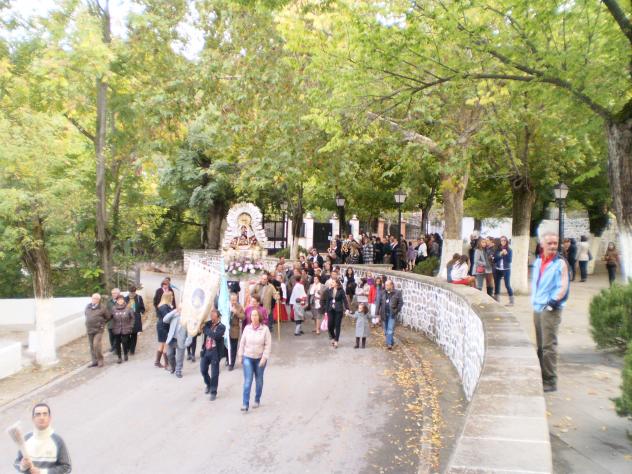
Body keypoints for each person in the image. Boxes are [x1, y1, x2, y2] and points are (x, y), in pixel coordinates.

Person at [531, 231, 570, 392]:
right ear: (542, 245)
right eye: (550, 243)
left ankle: (550, 380)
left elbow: (564, 286)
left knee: (548, 346)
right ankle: (541, 376)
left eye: (555, 243)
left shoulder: (560, 263)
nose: (553, 246)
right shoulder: (538, 261)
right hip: (538, 307)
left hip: (550, 308)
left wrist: (552, 303)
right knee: (540, 346)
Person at [13, 403, 71, 473]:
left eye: (45, 414)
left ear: (49, 418)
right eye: (38, 414)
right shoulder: (26, 439)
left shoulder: (58, 441)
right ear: (33, 419)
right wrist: (22, 466)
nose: (41, 417)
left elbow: (66, 468)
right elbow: (16, 462)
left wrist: (43, 472)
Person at [238, 309, 272, 412]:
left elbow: (268, 345)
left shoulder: (265, 329)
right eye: (252, 315)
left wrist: (264, 358)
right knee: (248, 380)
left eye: (256, 315)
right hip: (248, 357)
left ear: (259, 317)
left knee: (259, 380)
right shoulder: (247, 328)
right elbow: (242, 343)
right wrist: (240, 355)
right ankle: (245, 404)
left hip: (260, 358)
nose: (254, 317)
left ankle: (257, 399)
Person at [200, 309, 226, 401]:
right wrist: (202, 327)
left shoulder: (222, 327)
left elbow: (215, 336)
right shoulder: (208, 324)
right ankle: (208, 384)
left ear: (218, 317)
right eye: (211, 316)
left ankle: (213, 391)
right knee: (203, 370)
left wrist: (205, 329)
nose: (211, 318)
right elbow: (201, 327)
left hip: (215, 351)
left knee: (214, 373)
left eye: (213, 316)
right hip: (206, 350)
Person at [84, 293, 110, 368]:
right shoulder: (88, 306)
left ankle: (100, 360)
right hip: (89, 329)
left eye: (95, 298)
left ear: (99, 300)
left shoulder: (102, 307)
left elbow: (108, 317)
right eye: (93, 298)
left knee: (96, 345)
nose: (94, 300)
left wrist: (102, 324)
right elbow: (86, 315)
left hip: (98, 330)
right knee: (92, 346)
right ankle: (94, 361)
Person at [377, 280, 404, 350]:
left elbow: (401, 303)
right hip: (384, 313)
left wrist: (396, 310)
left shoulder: (397, 293)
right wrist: (377, 314)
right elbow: (378, 303)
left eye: (387, 285)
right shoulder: (382, 292)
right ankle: (391, 341)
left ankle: (389, 344)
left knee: (390, 329)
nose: (386, 286)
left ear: (391, 285)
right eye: (385, 285)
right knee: (386, 330)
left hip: (392, 314)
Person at [324, 278, 349, 348]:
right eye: (331, 282)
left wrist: (347, 309)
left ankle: (336, 341)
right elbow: (327, 301)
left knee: (337, 325)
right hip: (330, 310)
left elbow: (345, 300)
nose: (331, 283)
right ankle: (333, 337)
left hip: (338, 310)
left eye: (333, 282)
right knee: (329, 325)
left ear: (337, 283)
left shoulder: (341, 290)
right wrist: (326, 311)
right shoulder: (329, 290)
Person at [164, 308, 188, 378]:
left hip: (181, 339)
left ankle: (178, 371)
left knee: (180, 357)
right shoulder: (174, 315)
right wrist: (175, 311)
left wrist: (188, 339)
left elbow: (190, 329)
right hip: (172, 338)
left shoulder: (188, 317)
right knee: (169, 354)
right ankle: (173, 367)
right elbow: (164, 319)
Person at [110, 294, 134, 364]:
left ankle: (125, 353)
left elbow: (132, 318)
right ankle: (119, 357)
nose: (120, 301)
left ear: (123, 300)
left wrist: (131, 326)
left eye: (121, 299)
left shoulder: (128, 308)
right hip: (116, 328)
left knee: (124, 342)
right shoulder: (113, 308)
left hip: (126, 328)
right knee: (117, 343)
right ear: (117, 301)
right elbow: (110, 317)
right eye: (118, 300)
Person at [155, 290, 175, 369]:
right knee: (166, 345)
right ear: (168, 297)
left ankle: (157, 361)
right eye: (171, 296)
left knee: (162, 344)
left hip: (161, 326)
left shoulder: (164, 305)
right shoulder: (164, 306)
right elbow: (167, 317)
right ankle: (167, 364)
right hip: (164, 327)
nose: (172, 297)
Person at [493, 236, 514, 305]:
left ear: (506, 241)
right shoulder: (497, 250)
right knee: (497, 285)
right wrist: (500, 254)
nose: (503, 241)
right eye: (502, 240)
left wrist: (506, 254)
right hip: (498, 269)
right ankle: (497, 301)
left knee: (507, 285)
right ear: (500, 241)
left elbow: (509, 261)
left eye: (504, 240)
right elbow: (495, 260)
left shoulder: (509, 250)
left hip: (506, 270)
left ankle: (511, 302)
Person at [125, 286, 145, 356]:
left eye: (133, 292)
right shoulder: (125, 298)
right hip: (127, 319)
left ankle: (132, 350)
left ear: (135, 292)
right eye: (131, 292)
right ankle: (128, 347)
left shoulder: (139, 298)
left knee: (134, 334)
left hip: (136, 318)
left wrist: (141, 312)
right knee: (127, 334)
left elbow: (142, 308)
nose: (132, 294)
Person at [227, 293, 245, 370]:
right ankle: (228, 359)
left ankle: (232, 364)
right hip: (227, 329)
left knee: (234, 347)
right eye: (232, 300)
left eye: (235, 300)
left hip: (235, 329)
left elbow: (243, 317)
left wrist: (236, 312)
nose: (234, 302)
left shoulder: (239, 307)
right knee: (227, 346)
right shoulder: (226, 305)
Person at [106, 287, 120, 353]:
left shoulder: (121, 300)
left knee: (117, 336)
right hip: (110, 322)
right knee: (111, 336)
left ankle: (116, 348)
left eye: (115, 293)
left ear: (118, 293)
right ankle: (113, 347)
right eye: (112, 293)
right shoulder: (109, 301)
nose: (113, 294)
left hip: (119, 322)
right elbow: (106, 311)